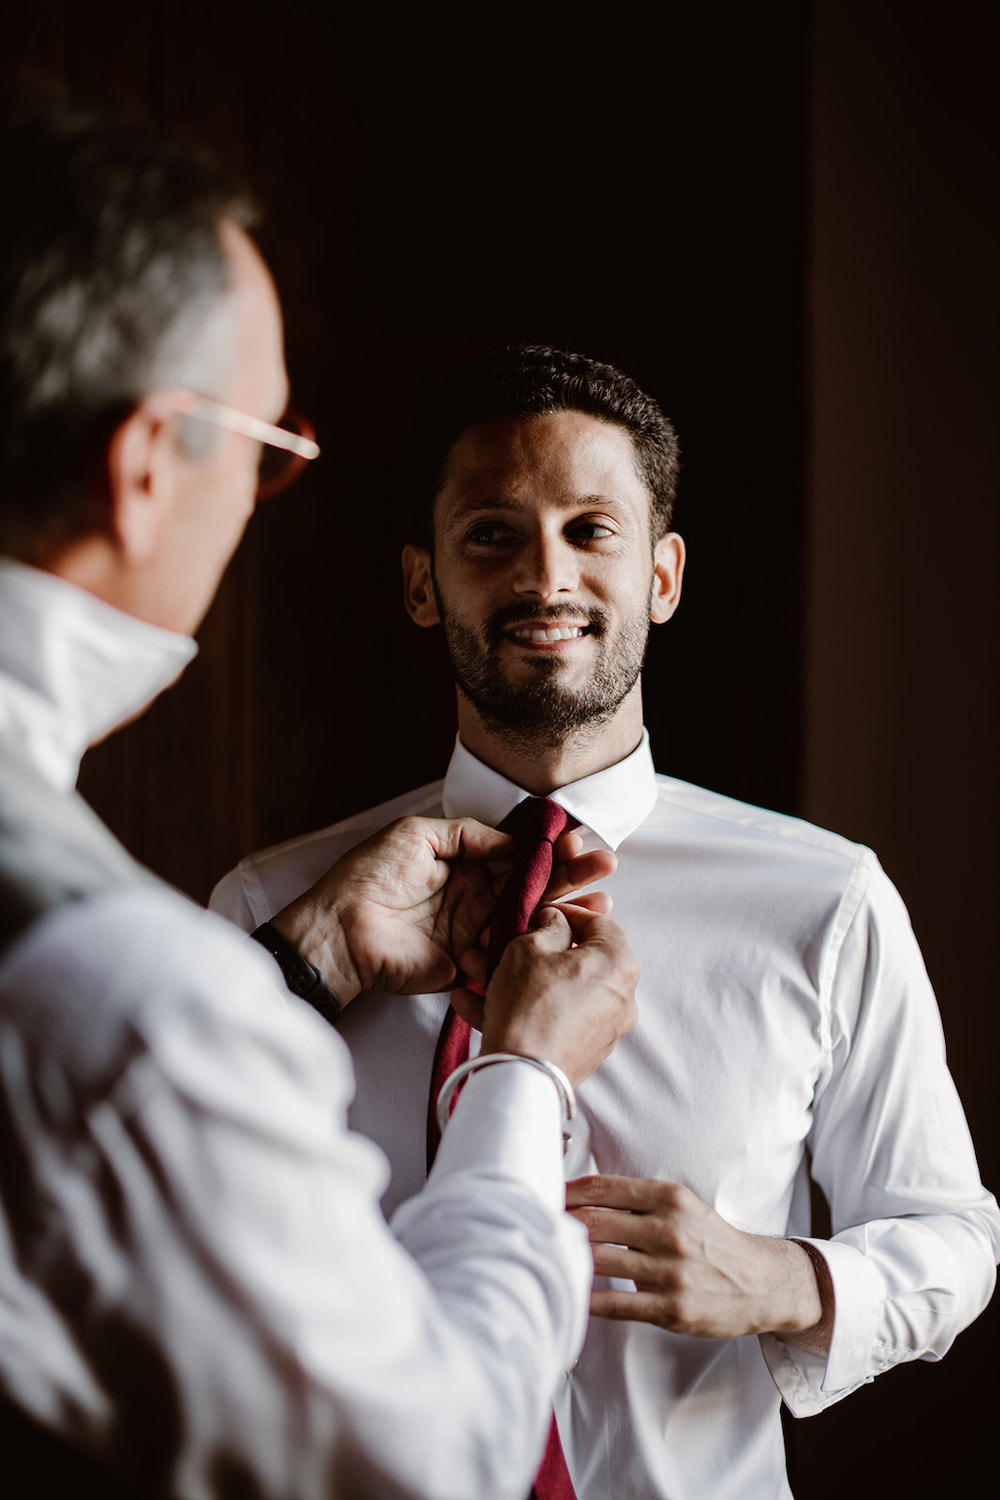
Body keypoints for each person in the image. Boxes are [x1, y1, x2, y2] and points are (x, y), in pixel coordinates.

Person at [212, 344, 1000, 1500]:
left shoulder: (825, 902)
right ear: (423, 583)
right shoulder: (272, 911)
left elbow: (952, 1236)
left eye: (591, 530)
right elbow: (160, 1235)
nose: (546, 577)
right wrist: (306, 964)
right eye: (491, 533)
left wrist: (780, 1280)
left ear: (662, 576)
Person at [0, 111, 642, 1500]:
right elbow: (432, 1458)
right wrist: (521, 1079)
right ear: (148, 464)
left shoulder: (837, 897)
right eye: (263, 449)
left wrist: (303, 964)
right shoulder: (148, 998)